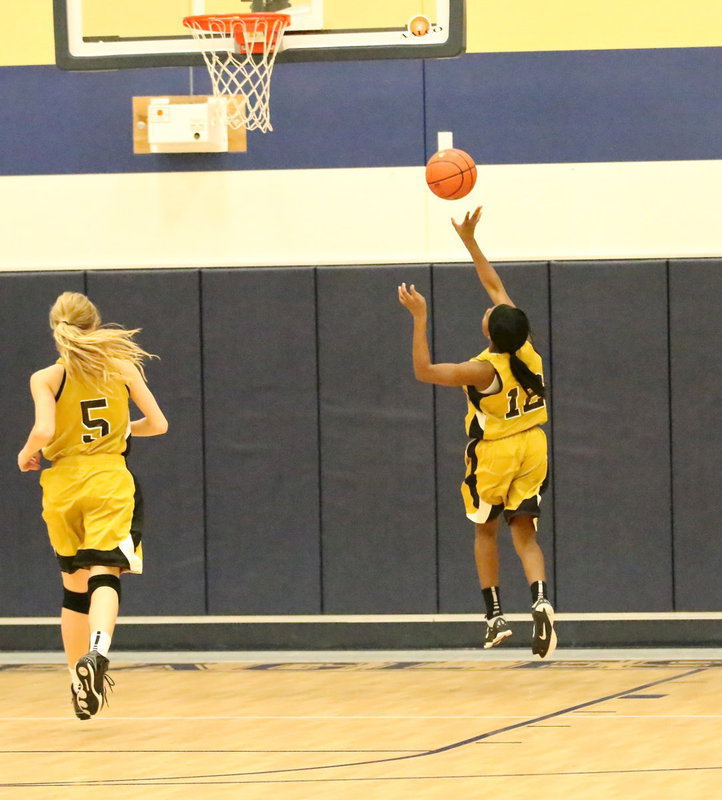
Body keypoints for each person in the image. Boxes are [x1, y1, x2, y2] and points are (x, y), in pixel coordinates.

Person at [398, 207, 556, 659]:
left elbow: (424, 370)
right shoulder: (526, 350)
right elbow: (492, 285)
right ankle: (541, 600)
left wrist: (419, 317)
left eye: (490, 312)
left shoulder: (480, 370)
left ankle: (495, 618)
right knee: (524, 533)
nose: (489, 306)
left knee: (485, 531)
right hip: (535, 446)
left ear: (489, 329)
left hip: (498, 453)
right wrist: (469, 240)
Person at [17, 292, 168, 718]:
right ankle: (97, 653)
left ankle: (76, 683)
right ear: (95, 325)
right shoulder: (122, 369)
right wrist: (119, 430)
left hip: (62, 484)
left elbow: (44, 431)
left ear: (56, 329)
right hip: (108, 478)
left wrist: (26, 452)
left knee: (73, 586)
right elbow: (158, 424)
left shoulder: (46, 377)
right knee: (106, 572)